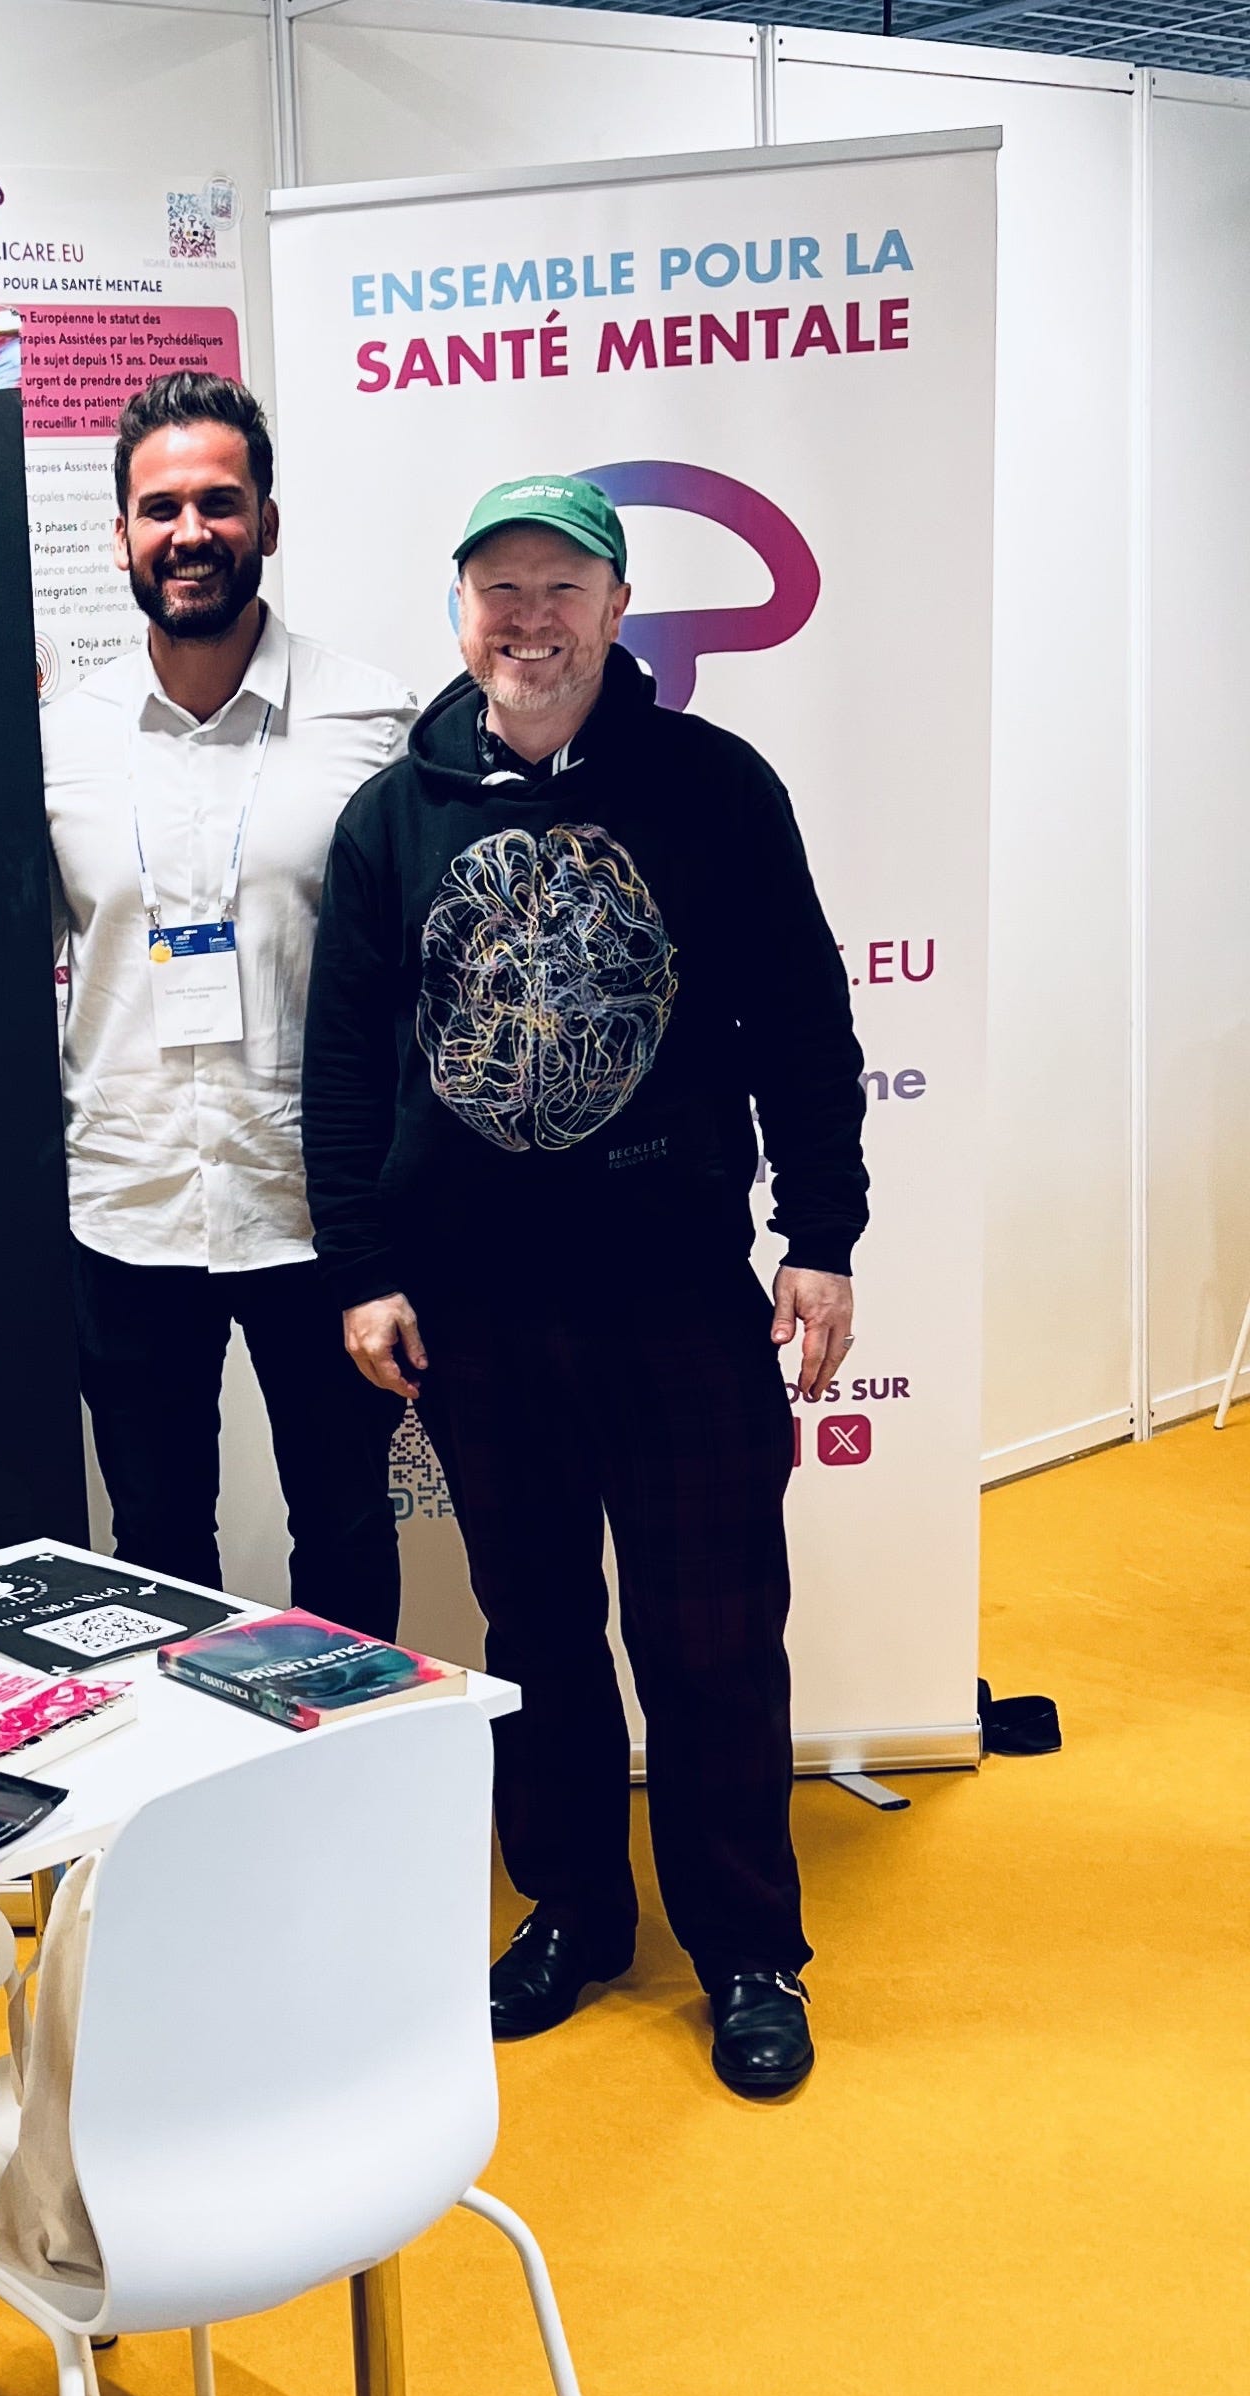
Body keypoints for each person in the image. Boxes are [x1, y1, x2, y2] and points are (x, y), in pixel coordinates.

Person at [300, 475, 867, 2098]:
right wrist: (362, 1264)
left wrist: (821, 1231)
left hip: (671, 1287)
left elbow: (800, 1023)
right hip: (475, 1306)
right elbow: (345, 1061)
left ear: (618, 610)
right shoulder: (392, 818)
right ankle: (573, 1911)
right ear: (460, 612)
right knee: (535, 1625)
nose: (529, 619)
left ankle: (748, 1947)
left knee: (711, 1628)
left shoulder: (713, 789)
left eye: (562, 587)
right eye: (501, 589)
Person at [44, 372, 418, 1637]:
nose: (189, 532)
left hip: (321, 1210)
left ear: (266, 519)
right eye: (160, 509)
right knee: (152, 1544)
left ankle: (342, 1755)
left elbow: (418, 986)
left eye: (217, 501)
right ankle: (188, 1764)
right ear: (119, 537)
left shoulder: (371, 720)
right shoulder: (56, 744)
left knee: (347, 1524)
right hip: (126, 1202)